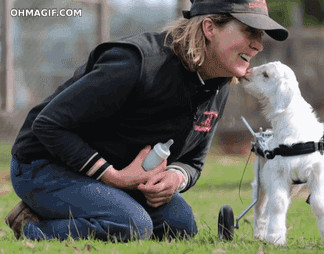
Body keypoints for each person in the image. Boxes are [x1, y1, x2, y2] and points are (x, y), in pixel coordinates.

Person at [5, 0, 288, 241]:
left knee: (180, 226)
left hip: (113, 175)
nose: (258, 45)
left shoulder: (218, 84)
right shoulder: (138, 63)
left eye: (261, 35)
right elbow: (47, 125)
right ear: (210, 27)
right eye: (249, 31)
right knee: (131, 225)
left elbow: (193, 161)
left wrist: (174, 179)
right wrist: (114, 177)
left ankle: (91, 204)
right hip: (42, 164)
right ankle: (31, 225)